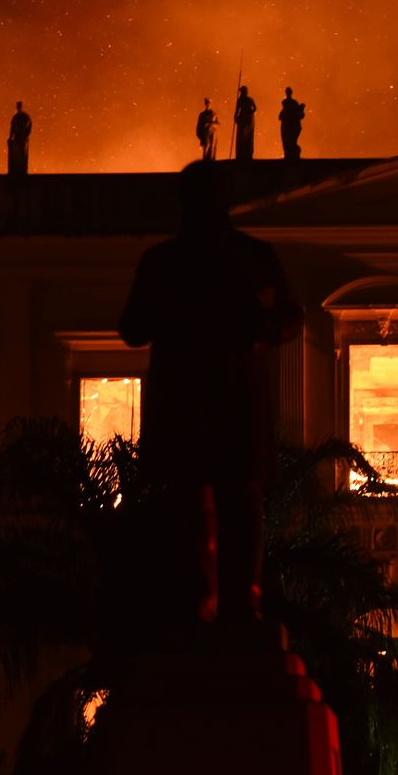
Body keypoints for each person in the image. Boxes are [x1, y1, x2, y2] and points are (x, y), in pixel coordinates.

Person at [118, 161, 300, 625]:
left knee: (229, 508)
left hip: (220, 405)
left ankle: (229, 605)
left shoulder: (238, 258)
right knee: (199, 508)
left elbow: (290, 320)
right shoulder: (186, 261)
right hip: (199, 406)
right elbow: (134, 327)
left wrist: (256, 322)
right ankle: (210, 605)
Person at [279, 87, 306, 160]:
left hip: (290, 126)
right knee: (287, 141)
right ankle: (289, 154)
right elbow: (282, 115)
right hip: (287, 125)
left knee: (290, 141)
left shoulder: (292, 103)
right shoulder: (288, 103)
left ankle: (290, 154)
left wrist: (301, 109)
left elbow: (298, 114)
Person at [8, 101, 33, 175]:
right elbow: (29, 127)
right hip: (21, 139)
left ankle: (20, 171)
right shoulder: (24, 116)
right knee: (21, 155)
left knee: (20, 155)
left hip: (20, 139)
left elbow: (12, 128)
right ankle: (21, 170)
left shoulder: (18, 116)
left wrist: (11, 137)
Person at [233, 85, 257, 161]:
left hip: (248, 120)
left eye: (242, 91)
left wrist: (250, 112)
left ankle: (248, 154)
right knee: (241, 137)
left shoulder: (249, 100)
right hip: (242, 120)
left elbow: (255, 108)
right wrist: (235, 117)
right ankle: (241, 154)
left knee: (247, 137)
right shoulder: (239, 100)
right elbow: (237, 110)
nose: (241, 93)